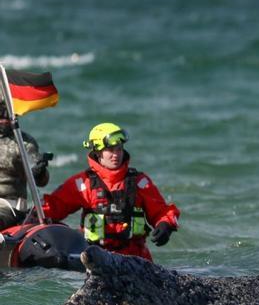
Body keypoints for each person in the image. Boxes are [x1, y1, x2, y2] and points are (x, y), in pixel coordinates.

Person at [42, 122, 179, 260]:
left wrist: (165, 224)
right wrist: (33, 216)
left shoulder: (139, 182)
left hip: (136, 260)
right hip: (96, 259)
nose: (116, 154)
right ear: (97, 151)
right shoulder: (83, 183)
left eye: (119, 149)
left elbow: (162, 211)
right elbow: (53, 207)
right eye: (110, 150)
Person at [0, 102, 51, 230]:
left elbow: (41, 181)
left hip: (9, 207)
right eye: (1, 110)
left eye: (9, 111)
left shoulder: (24, 143)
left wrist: (39, 171)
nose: (4, 116)